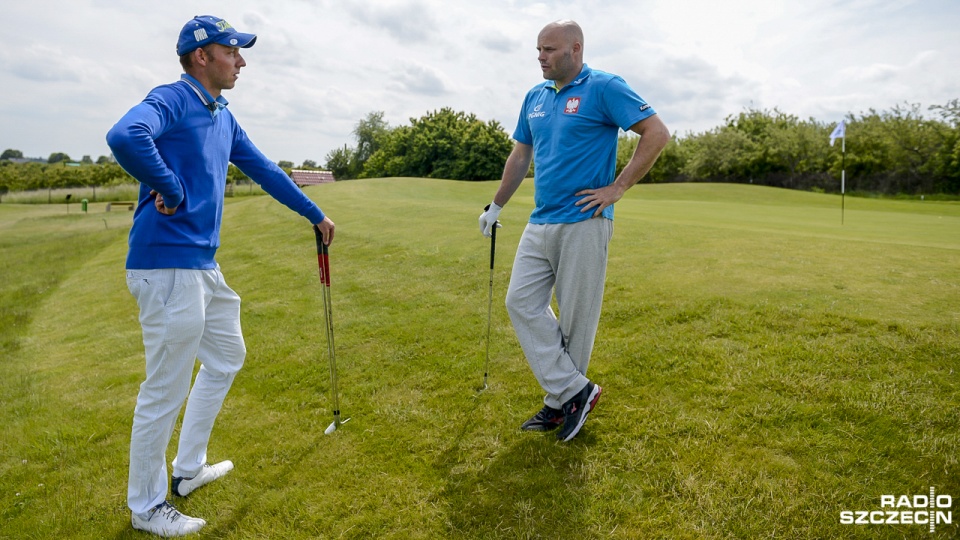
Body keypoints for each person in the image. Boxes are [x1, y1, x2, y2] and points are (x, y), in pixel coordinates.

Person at [107, 15, 335, 537]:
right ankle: (146, 507)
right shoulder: (174, 97)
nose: (242, 61)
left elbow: (265, 170)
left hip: (200, 267)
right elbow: (125, 134)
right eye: (233, 51)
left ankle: (188, 470)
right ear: (202, 55)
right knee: (164, 388)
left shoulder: (221, 114)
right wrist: (169, 184)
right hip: (165, 265)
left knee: (228, 356)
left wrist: (314, 214)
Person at [478, 20, 669, 442]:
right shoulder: (535, 96)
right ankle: (574, 392)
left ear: (575, 49)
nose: (541, 57)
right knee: (521, 302)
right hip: (541, 220)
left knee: (575, 323)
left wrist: (617, 188)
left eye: (548, 49)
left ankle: (558, 404)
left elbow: (656, 133)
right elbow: (520, 154)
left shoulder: (604, 87)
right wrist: (497, 205)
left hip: (585, 222)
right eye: (538, 50)